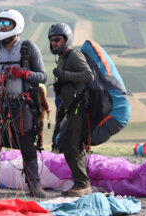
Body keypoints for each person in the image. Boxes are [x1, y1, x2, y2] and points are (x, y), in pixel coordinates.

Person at [0, 9, 47, 198]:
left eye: (7, 24)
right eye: (0, 23)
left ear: (17, 26)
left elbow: (43, 76)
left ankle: (34, 185)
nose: (2, 27)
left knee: (27, 144)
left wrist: (25, 74)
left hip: (22, 104)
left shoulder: (29, 48)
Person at [48, 23, 94, 197]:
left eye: (57, 39)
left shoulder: (73, 55)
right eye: (52, 40)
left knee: (69, 145)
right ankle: (81, 183)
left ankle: (82, 184)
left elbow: (89, 75)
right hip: (71, 108)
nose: (54, 43)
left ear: (66, 39)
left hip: (80, 109)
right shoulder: (62, 58)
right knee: (73, 145)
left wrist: (65, 76)